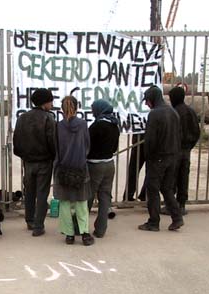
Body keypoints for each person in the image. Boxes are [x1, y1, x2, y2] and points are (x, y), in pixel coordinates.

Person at [138, 86, 184, 232]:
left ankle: (153, 222)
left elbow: (150, 140)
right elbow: (180, 135)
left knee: (153, 190)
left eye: (147, 101)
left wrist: (148, 156)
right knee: (167, 188)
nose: (146, 104)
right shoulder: (173, 112)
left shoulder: (155, 114)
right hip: (173, 156)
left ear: (152, 99)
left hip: (158, 157)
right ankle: (177, 217)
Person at [13, 88, 56, 236]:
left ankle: (30, 221)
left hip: (28, 162)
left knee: (29, 192)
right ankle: (38, 226)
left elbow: (16, 142)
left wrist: (24, 156)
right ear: (45, 102)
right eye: (51, 101)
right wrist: (53, 156)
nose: (52, 104)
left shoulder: (22, 118)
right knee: (42, 194)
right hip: (44, 161)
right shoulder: (48, 118)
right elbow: (52, 141)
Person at [54, 95, 93, 246]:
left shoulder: (58, 126)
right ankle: (84, 233)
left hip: (63, 168)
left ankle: (69, 235)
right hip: (80, 168)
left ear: (62, 109)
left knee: (65, 202)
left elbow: (56, 147)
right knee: (81, 202)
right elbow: (87, 146)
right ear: (77, 108)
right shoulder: (83, 124)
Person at [163, 86, 201, 216]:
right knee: (183, 178)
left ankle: (171, 206)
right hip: (186, 151)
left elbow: (169, 133)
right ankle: (181, 205)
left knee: (171, 178)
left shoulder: (174, 113)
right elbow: (197, 132)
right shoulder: (190, 111)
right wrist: (189, 146)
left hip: (175, 151)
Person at [86, 99, 120, 238]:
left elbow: (87, 146)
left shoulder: (96, 126)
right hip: (109, 164)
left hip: (95, 165)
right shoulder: (114, 125)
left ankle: (80, 226)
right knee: (105, 197)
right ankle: (101, 229)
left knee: (88, 196)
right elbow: (114, 148)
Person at [125, 134, 146, 202]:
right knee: (133, 170)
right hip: (139, 141)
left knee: (150, 172)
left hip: (148, 142)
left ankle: (144, 195)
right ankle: (128, 195)